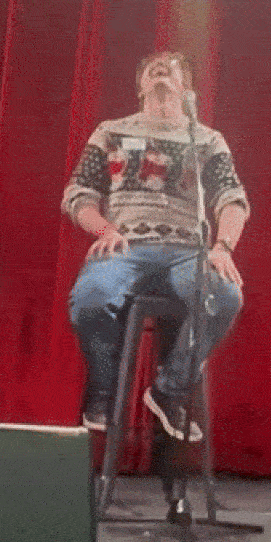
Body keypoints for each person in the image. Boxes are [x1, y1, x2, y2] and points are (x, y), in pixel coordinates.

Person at [64, 52, 249, 441]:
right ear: (140, 86)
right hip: (127, 245)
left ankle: (169, 391)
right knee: (91, 297)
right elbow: (78, 195)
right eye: (153, 66)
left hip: (186, 250)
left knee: (223, 296)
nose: (161, 68)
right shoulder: (110, 131)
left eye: (172, 66)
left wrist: (223, 247)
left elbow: (232, 199)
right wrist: (103, 229)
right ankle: (104, 391)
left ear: (187, 89)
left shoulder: (207, 139)